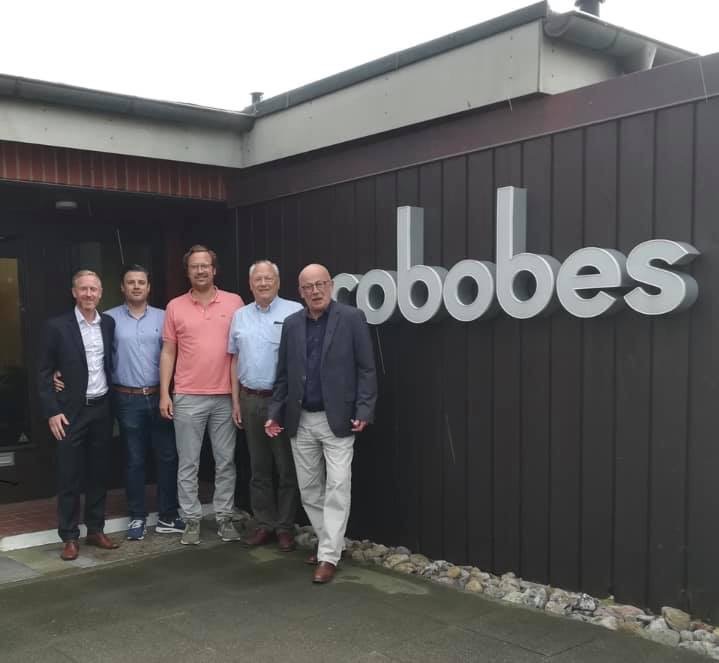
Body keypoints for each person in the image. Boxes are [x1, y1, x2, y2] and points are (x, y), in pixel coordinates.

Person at [265, 263, 377, 584]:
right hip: (300, 420)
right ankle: (331, 542)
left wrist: (364, 409)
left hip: (337, 420)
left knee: (338, 486)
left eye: (320, 284)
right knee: (310, 490)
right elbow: (283, 375)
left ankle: (328, 555)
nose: (315, 291)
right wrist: (274, 412)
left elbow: (367, 368)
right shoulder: (291, 324)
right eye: (308, 287)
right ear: (300, 292)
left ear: (331, 285)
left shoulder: (351, 319)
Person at [160, 245, 244, 545]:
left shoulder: (234, 303)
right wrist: (164, 393)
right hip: (187, 395)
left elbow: (239, 353)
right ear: (187, 272)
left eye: (205, 265)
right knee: (188, 463)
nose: (200, 270)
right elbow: (168, 352)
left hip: (224, 396)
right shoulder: (175, 306)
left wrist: (237, 399)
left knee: (226, 461)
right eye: (194, 266)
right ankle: (191, 520)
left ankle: (224, 518)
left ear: (214, 269)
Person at [37, 269, 119, 560]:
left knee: (98, 473)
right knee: (69, 475)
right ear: (74, 292)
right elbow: (44, 372)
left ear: (100, 293)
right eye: (83, 289)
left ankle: (95, 529)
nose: (88, 294)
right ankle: (70, 536)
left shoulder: (108, 323)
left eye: (93, 289)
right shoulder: (56, 327)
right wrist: (52, 411)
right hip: (71, 413)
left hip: (102, 408)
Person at [228, 260, 302, 552]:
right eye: (257, 279)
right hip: (250, 399)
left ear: (278, 282)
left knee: (286, 467)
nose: (263, 283)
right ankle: (264, 524)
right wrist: (235, 400)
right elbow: (234, 359)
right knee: (258, 467)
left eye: (268, 278)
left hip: (280, 401)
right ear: (250, 284)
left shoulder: (294, 311)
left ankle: (285, 527)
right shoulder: (240, 316)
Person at [105, 265, 184, 540]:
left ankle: (168, 515)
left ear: (149, 287)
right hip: (127, 398)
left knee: (168, 457)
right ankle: (137, 516)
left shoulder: (165, 316)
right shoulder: (109, 319)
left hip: (160, 396)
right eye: (131, 282)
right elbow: (92, 353)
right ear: (122, 287)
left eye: (141, 282)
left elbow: (176, 353)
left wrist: (168, 392)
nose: (136, 286)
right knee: (134, 459)